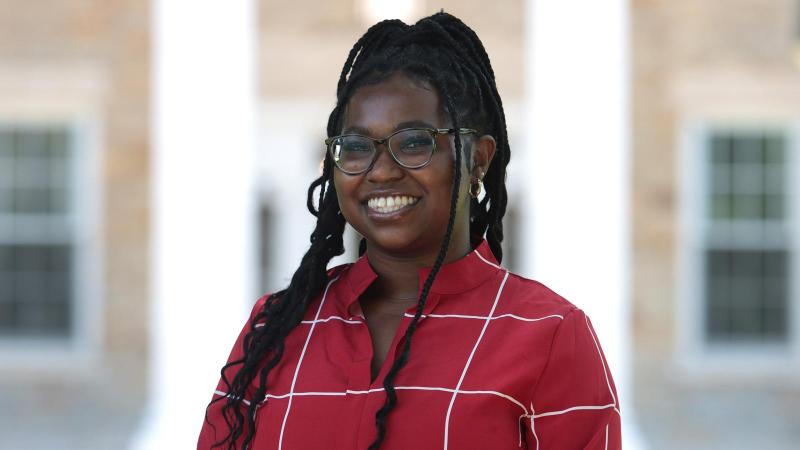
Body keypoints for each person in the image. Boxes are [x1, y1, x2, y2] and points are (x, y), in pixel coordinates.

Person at [199, 12, 620, 450]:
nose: (381, 171)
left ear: (478, 157)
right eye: (358, 147)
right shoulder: (274, 328)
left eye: (414, 142)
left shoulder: (549, 333)